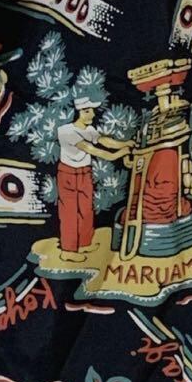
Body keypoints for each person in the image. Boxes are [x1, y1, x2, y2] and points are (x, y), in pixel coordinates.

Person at [55, 95, 132, 261]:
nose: (92, 114)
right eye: (88, 111)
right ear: (79, 112)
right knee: (70, 212)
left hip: (85, 172)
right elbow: (92, 149)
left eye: (92, 111)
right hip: (68, 174)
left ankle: (84, 243)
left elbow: (104, 141)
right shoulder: (66, 131)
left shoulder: (89, 129)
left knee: (86, 208)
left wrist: (125, 144)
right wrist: (118, 154)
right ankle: (68, 250)